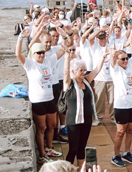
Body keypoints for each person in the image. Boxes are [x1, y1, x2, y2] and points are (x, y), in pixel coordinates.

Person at [16, 29, 66, 164]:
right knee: (41, 128)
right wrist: (21, 38)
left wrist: (65, 34)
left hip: (49, 98)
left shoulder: (48, 61)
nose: (42, 55)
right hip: (38, 100)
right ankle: (42, 154)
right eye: (39, 53)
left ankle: (49, 148)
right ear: (33, 54)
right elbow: (17, 54)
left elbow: (63, 50)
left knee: (52, 125)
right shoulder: (30, 64)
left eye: (43, 52)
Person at [63, 46, 109, 169]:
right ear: (74, 72)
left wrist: (103, 56)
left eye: (84, 70)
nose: (84, 73)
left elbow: (97, 69)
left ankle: (80, 169)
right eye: (81, 71)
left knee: (82, 147)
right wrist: (67, 57)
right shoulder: (69, 83)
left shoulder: (87, 80)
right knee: (73, 148)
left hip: (86, 120)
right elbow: (66, 72)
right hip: (73, 120)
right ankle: (67, 169)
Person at [109, 47, 132, 167]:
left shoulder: (130, 66)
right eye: (122, 59)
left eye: (127, 58)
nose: (126, 60)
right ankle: (116, 156)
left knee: (130, 130)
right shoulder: (115, 70)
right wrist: (112, 54)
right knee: (120, 131)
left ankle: (127, 153)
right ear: (117, 60)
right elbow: (112, 61)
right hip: (121, 105)